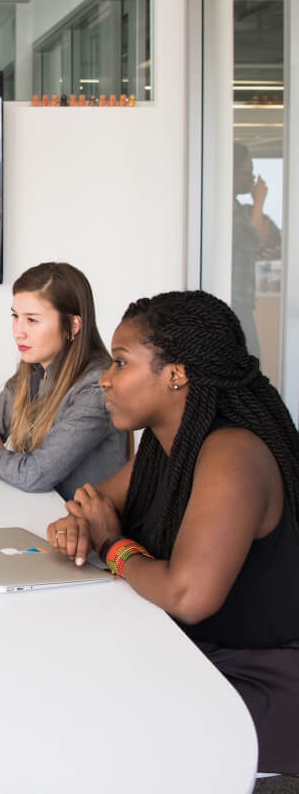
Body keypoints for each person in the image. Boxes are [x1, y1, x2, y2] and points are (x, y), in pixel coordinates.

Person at [48, 290, 299, 775]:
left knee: (88, 721)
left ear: (176, 374)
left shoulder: (232, 453)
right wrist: (77, 526)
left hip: (257, 678)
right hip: (188, 651)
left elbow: (188, 595)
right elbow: (90, 504)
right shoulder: (167, 446)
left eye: (121, 363)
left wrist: (112, 545)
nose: (105, 378)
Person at [0, 262, 125, 499]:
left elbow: (35, 474)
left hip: (76, 518)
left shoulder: (97, 388)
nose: (18, 332)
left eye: (32, 320)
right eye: (15, 316)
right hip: (43, 508)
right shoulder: (35, 368)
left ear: (73, 325)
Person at [232, 141, 281, 358]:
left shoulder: (243, 212)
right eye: (246, 173)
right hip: (232, 301)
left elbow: (271, 243)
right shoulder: (224, 211)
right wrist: (259, 202)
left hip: (243, 302)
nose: (252, 179)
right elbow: (248, 242)